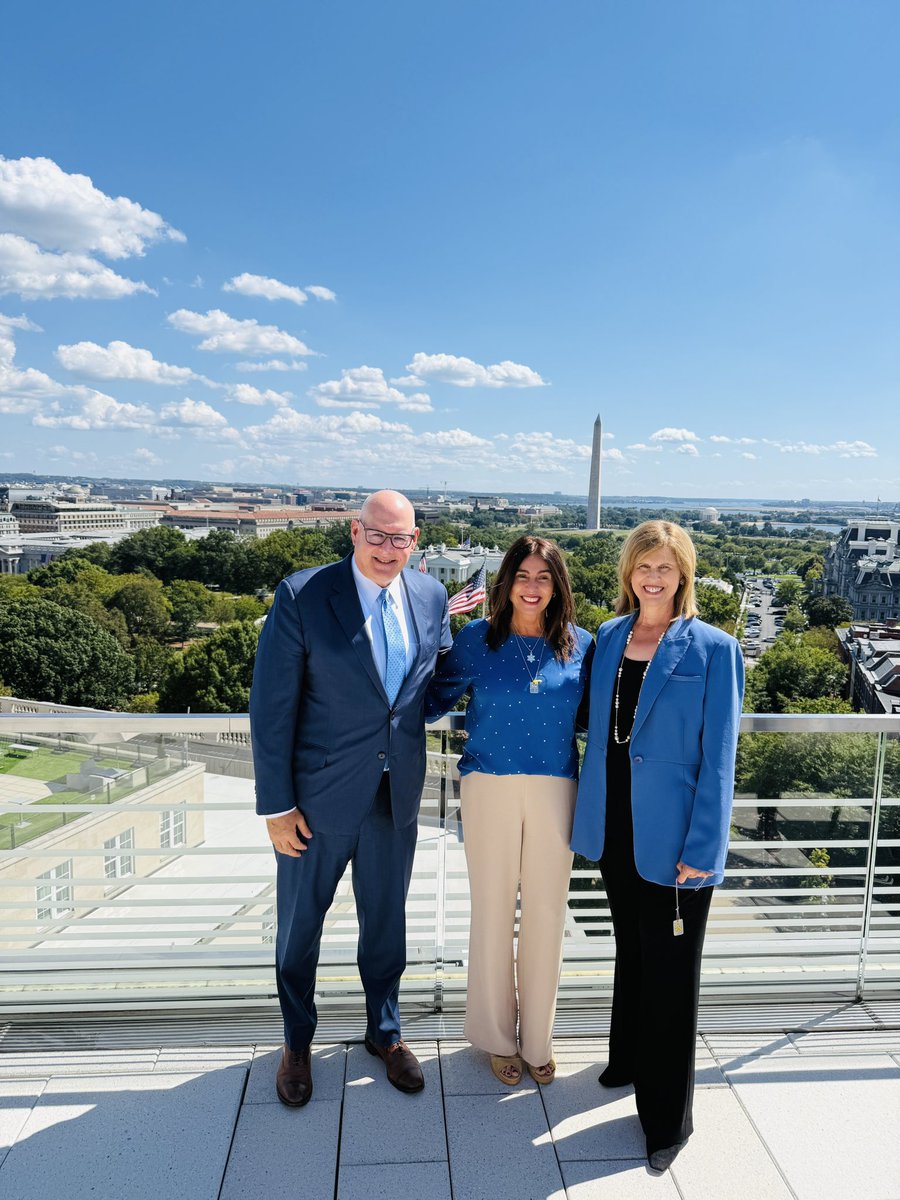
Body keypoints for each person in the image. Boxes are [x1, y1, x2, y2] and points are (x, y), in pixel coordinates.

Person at [250, 490, 451, 1107]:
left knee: (387, 924)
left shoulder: (430, 595)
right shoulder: (303, 595)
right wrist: (276, 805)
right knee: (300, 929)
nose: (389, 549)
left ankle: (384, 1032)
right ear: (355, 532)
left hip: (395, 796)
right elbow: (271, 707)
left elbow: (428, 685)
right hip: (316, 802)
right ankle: (296, 1042)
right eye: (378, 535)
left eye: (401, 538)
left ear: (415, 541)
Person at [571, 520, 744, 1171]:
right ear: (629, 572)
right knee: (632, 949)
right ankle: (628, 1060)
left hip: (676, 838)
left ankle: (668, 1120)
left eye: (664, 568)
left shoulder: (714, 649)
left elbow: (720, 758)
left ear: (683, 575)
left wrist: (705, 847)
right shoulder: (610, 636)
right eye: (643, 566)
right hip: (615, 826)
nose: (652, 577)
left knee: (672, 973)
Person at [426, 536, 594, 1086]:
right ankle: (497, 1037)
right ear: (506, 582)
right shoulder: (477, 639)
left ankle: (538, 1039)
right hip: (488, 785)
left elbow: (604, 717)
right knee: (493, 910)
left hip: (556, 788)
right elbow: (429, 700)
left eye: (543, 577)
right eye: (522, 575)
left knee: (546, 914)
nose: (532, 587)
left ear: (558, 586)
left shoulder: (582, 645)